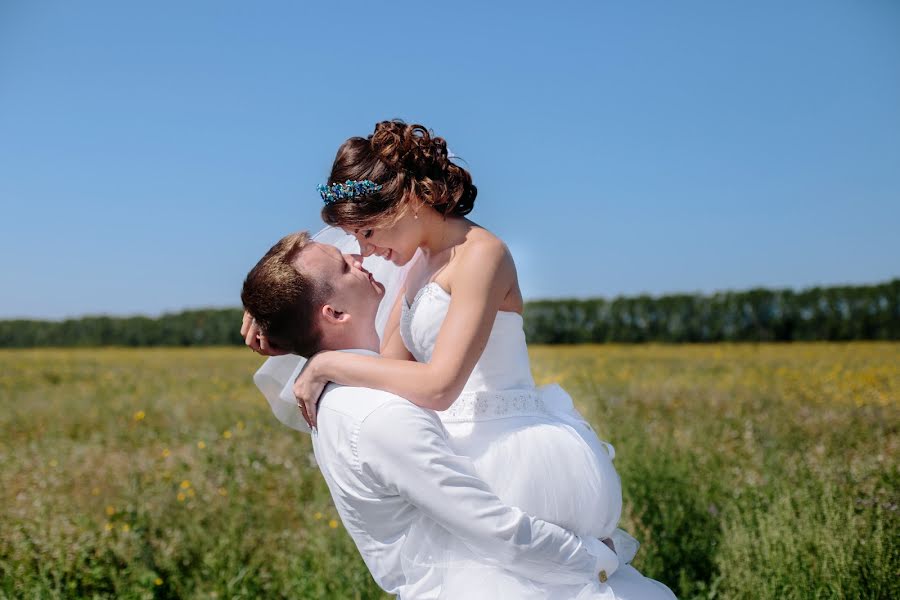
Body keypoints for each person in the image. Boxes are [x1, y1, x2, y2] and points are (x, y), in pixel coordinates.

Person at [240, 231, 624, 599]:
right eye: (343, 265)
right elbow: (495, 530)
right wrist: (600, 558)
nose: (358, 254)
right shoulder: (379, 414)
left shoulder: (343, 397)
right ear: (335, 313)